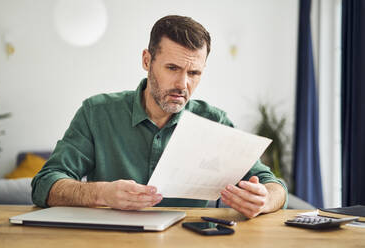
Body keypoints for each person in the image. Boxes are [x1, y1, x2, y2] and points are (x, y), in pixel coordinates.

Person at [32, 15, 287, 219]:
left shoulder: (215, 121)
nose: (182, 84)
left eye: (194, 73)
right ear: (147, 60)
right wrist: (103, 193)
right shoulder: (96, 112)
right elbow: (44, 184)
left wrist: (264, 198)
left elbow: (274, 186)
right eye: (172, 68)